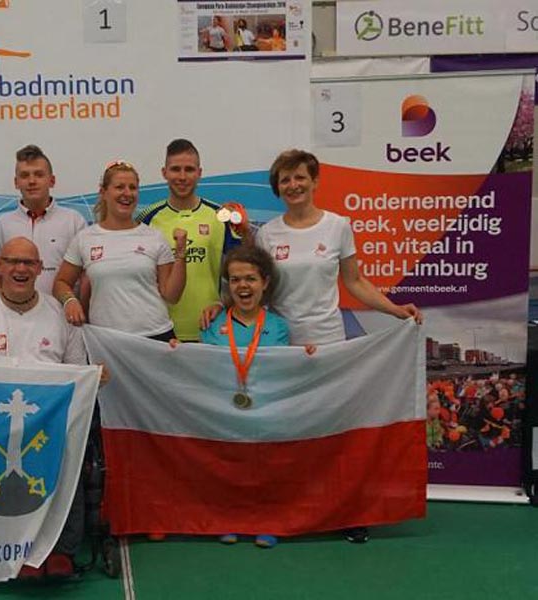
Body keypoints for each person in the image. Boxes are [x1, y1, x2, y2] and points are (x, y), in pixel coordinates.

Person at [255, 148, 421, 544]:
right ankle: (282, 513)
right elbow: (257, 291)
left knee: (335, 434)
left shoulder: (337, 226)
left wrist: (396, 310)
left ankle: (346, 512)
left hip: (329, 345)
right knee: (285, 434)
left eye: (300, 177)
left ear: (314, 181)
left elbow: (355, 282)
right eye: (285, 180)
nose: (293, 185)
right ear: (277, 188)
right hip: (282, 349)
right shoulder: (266, 234)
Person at [0, 236, 101, 579]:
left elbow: (75, 372)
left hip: (52, 421)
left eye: (28, 262)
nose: (20, 269)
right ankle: (9, 547)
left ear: (40, 269)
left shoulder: (61, 314)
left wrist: (94, 376)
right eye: (12, 261)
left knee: (70, 448)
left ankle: (62, 549)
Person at [198, 245, 289, 548]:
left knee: (265, 468)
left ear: (265, 282)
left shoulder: (278, 327)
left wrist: (308, 357)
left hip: (265, 413)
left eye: (250, 278)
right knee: (225, 466)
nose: (243, 286)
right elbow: (199, 369)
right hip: (223, 412)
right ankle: (228, 518)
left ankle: (267, 521)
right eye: (235, 280)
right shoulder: (212, 324)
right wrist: (176, 354)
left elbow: (284, 370)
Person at [53, 161, 187, 342]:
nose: (127, 193)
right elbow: (61, 283)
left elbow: (172, 296)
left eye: (133, 188)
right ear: (103, 192)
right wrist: (70, 300)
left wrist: (181, 253)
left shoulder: (154, 237)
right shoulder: (85, 238)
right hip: (107, 341)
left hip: (156, 336)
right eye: (119, 187)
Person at [138, 139, 249, 342]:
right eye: (175, 169)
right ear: (164, 172)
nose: (182, 177)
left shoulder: (220, 216)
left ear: (199, 172)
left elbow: (246, 271)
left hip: (210, 330)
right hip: (160, 330)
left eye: (189, 169)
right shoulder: (147, 218)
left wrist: (223, 304)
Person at [0, 144, 86, 294]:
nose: (32, 181)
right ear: (16, 182)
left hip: (62, 308)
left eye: (39, 174)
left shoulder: (74, 222)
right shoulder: (2, 225)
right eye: (25, 175)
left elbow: (85, 278)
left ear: (52, 180)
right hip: (14, 309)